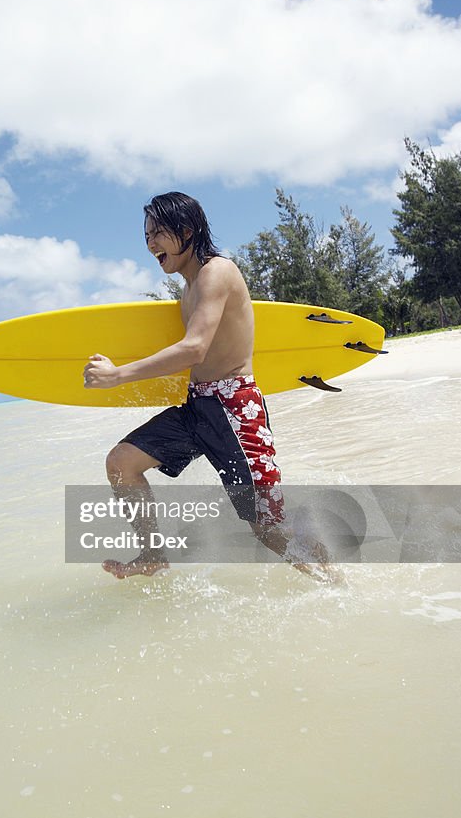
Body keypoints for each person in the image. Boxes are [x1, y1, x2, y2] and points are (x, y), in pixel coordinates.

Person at [83, 192, 337, 583]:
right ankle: (153, 554)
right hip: (198, 407)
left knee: (268, 528)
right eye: (146, 235)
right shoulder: (188, 288)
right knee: (122, 463)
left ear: (186, 231)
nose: (150, 243)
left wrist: (118, 376)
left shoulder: (217, 272)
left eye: (157, 233)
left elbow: (194, 348)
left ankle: (336, 583)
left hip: (236, 410)